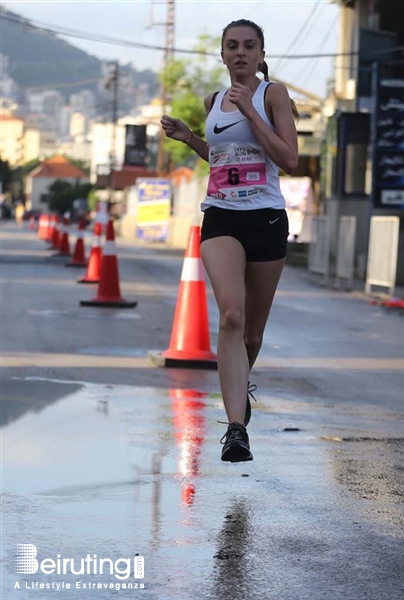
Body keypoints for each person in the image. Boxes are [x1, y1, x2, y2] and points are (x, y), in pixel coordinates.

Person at [161, 19, 299, 463]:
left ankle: (240, 391)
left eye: (249, 46)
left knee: (252, 335)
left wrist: (251, 113)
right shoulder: (212, 100)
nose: (240, 53)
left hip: (267, 219)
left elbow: (289, 159)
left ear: (261, 54)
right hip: (221, 217)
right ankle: (236, 428)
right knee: (232, 316)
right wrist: (191, 140)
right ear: (222, 55)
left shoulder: (271, 95)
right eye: (232, 46)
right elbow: (224, 160)